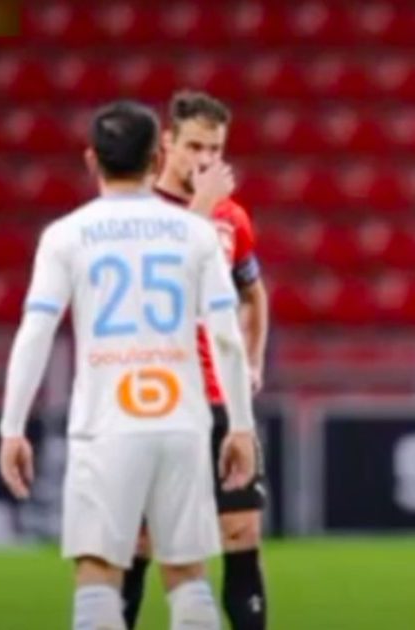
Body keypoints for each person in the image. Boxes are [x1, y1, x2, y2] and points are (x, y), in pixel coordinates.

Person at [0, 100, 257, 629]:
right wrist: (243, 426)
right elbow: (228, 337)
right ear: (153, 156)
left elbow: (36, 331)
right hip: (183, 419)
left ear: (92, 160)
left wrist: (12, 427)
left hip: (107, 423)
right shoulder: (197, 233)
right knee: (187, 574)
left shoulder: (66, 235)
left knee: (98, 571)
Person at [120, 90, 271, 630]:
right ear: (168, 144)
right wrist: (201, 211)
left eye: (215, 148)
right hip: (154, 401)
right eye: (194, 147)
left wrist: (252, 362)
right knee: (138, 545)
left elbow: (254, 294)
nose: (205, 160)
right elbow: (148, 305)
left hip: (220, 401)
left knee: (242, 535)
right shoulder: (136, 214)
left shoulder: (234, 219)